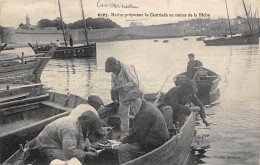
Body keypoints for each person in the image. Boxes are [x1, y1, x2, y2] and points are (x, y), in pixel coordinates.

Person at [118, 90, 169, 164]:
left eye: (134, 100)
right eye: (130, 102)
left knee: (123, 149)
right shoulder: (146, 106)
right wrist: (129, 135)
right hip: (156, 139)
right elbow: (139, 129)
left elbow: (137, 136)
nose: (132, 104)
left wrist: (124, 139)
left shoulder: (145, 112)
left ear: (141, 98)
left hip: (155, 143)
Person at [36, 111, 103, 163]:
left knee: (78, 154)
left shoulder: (81, 123)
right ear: (86, 125)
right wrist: (85, 154)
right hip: (47, 145)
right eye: (89, 129)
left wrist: (88, 147)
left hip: (59, 142)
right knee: (69, 161)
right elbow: (69, 151)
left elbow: (84, 135)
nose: (89, 132)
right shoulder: (70, 128)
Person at [105, 57, 140, 133]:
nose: (113, 72)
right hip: (123, 95)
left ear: (116, 64)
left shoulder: (127, 68)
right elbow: (113, 87)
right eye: (112, 71)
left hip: (134, 92)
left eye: (113, 69)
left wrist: (121, 87)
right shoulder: (113, 73)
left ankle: (139, 133)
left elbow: (134, 83)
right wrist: (115, 97)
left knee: (137, 114)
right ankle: (125, 134)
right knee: (123, 115)